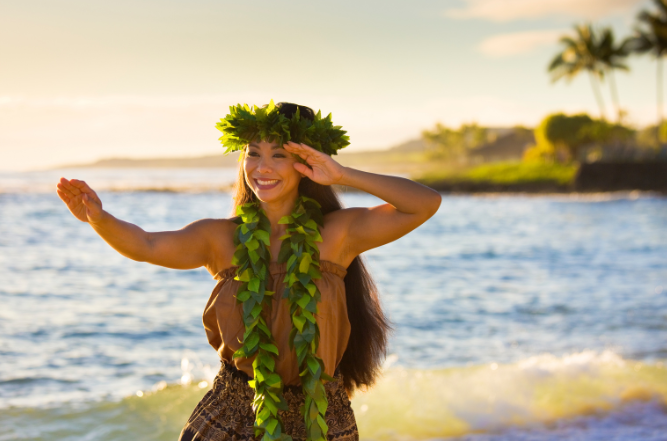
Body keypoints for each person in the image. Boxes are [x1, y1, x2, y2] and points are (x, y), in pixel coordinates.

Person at [55, 101, 441, 441]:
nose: (262, 168)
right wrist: (98, 218)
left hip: (320, 419)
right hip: (231, 414)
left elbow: (424, 203)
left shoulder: (337, 234)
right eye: (253, 154)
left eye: (278, 155)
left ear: (306, 163)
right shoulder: (219, 238)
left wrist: (341, 175)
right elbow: (146, 245)